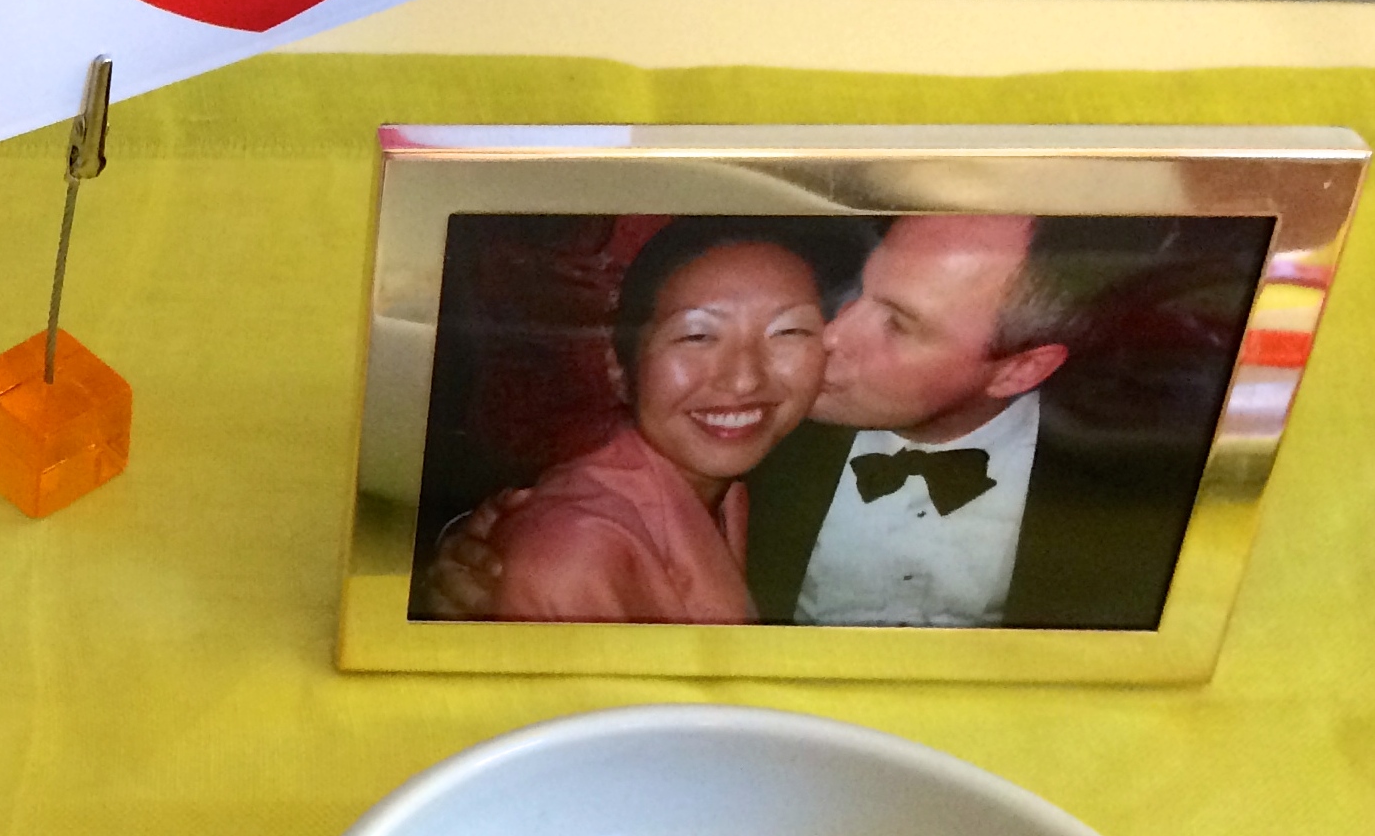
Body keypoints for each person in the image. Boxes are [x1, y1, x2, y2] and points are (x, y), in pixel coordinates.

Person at [431, 213, 1208, 631]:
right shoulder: (750, 426)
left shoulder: (1148, 500)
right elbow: (607, 507)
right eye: (856, 291)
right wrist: (468, 558)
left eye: (897, 323)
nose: (826, 337)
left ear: (1018, 369)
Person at [483, 219, 828, 624]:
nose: (744, 380)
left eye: (788, 332)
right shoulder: (581, 550)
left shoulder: (735, 491)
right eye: (697, 336)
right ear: (619, 369)